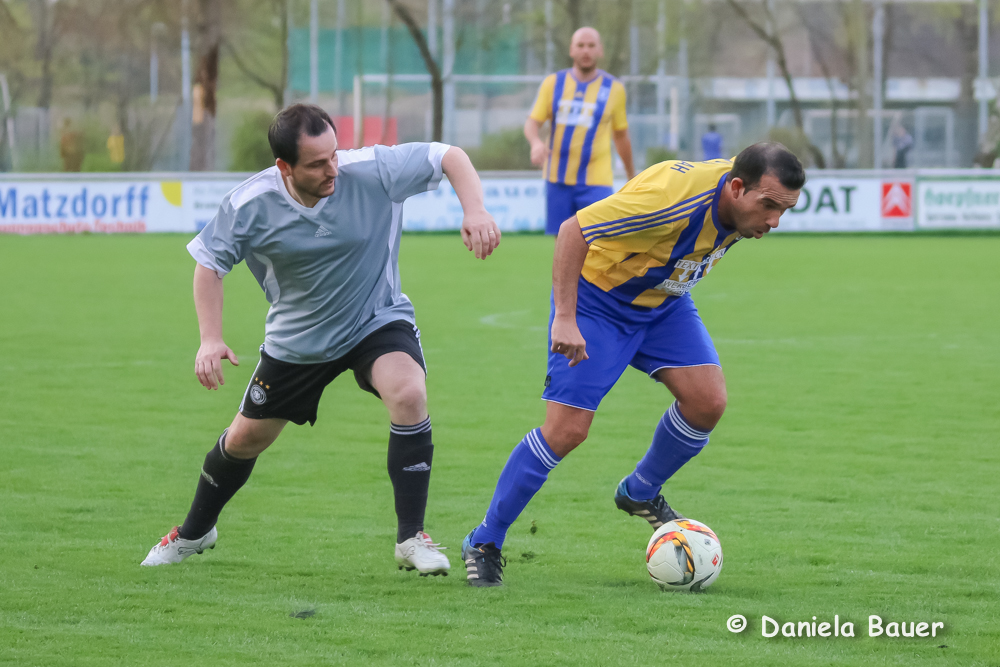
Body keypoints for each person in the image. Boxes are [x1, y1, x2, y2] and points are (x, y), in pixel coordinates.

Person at [142, 104, 502, 576]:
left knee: (409, 392)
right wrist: (210, 339)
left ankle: (411, 536)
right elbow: (209, 263)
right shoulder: (251, 203)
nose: (332, 168)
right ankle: (193, 532)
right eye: (316, 163)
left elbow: (450, 155)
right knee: (244, 440)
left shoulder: (370, 170)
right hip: (300, 339)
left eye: (333, 155)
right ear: (284, 167)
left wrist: (474, 209)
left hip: (376, 319)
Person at [460, 143, 804, 586]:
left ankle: (639, 492)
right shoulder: (669, 201)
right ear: (736, 188)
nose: (774, 222)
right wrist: (565, 317)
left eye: (785, 211)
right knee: (566, 430)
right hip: (599, 304)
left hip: (664, 302)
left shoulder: (744, 193)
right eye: (769, 207)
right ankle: (484, 540)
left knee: (707, 402)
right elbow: (573, 231)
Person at [525, 27, 635, 236]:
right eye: (581, 46)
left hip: (596, 182)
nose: (586, 51)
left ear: (600, 50)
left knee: (599, 243)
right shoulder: (553, 83)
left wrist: (631, 175)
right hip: (557, 179)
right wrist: (536, 143)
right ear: (571, 50)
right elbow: (532, 122)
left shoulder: (614, 88)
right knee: (564, 244)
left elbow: (621, 135)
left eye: (591, 46)